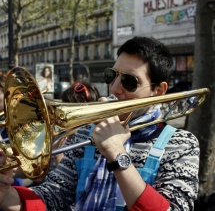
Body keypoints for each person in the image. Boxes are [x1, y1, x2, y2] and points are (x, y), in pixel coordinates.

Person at [0, 37, 199, 211]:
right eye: (111, 76)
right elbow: (54, 196)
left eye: (130, 82)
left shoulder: (182, 144)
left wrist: (116, 153)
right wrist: (6, 195)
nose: (114, 88)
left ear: (158, 91)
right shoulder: (86, 132)